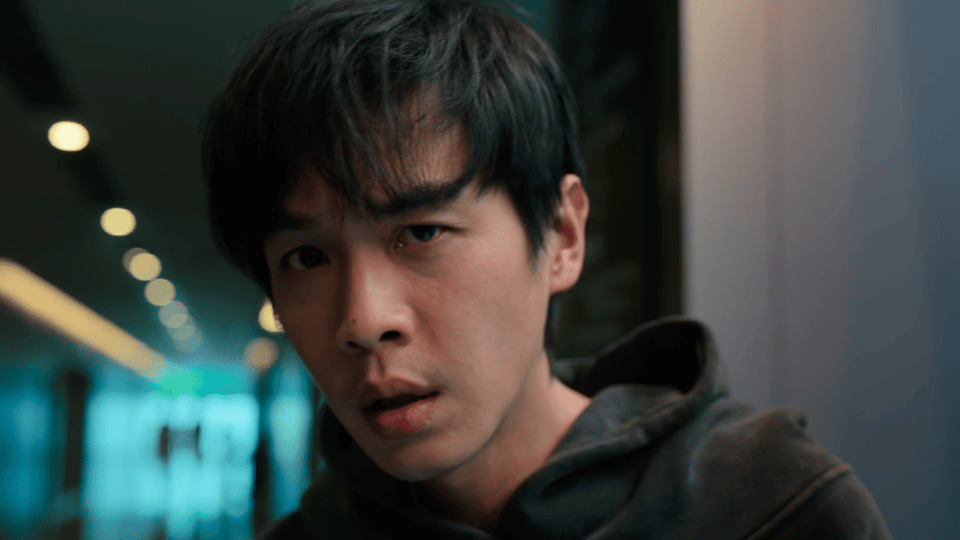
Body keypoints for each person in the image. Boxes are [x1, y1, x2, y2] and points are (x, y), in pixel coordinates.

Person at [200, 0, 892, 538]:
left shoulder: (774, 507)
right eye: (307, 257)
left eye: (422, 232)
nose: (364, 320)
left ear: (562, 235)